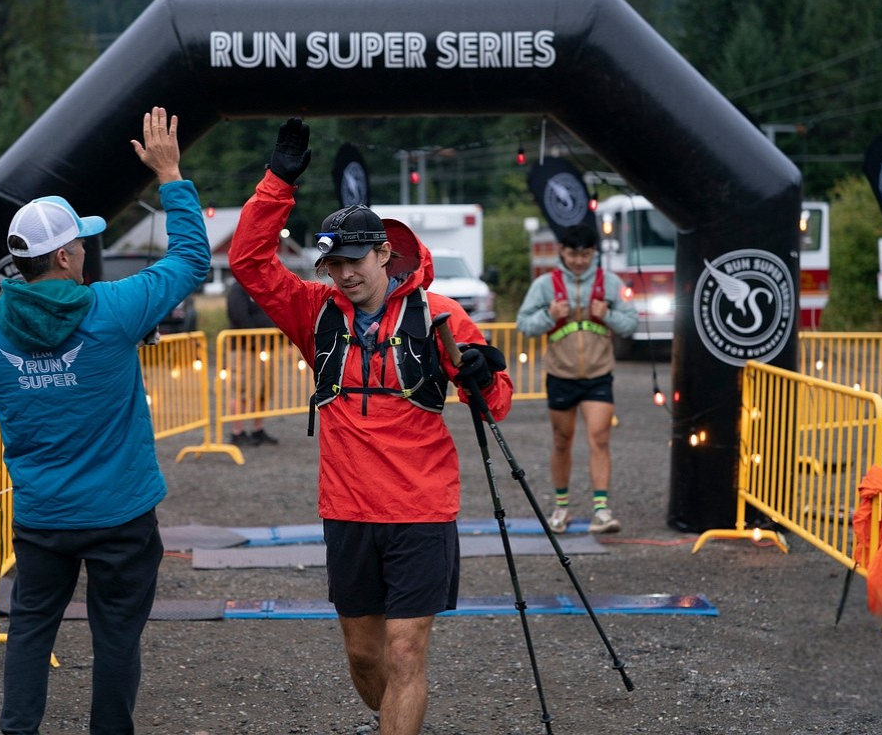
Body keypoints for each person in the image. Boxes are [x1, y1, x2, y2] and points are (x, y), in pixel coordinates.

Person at [228, 118, 513, 735]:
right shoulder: (314, 313)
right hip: (349, 510)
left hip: (421, 510)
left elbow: (496, 405)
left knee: (406, 652)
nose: (344, 274)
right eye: (333, 264)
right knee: (364, 656)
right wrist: (278, 182)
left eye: (354, 260)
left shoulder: (438, 315)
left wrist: (483, 376)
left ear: (384, 252)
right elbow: (248, 262)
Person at [0, 107, 210, 735]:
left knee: (30, 631)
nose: (85, 250)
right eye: (80, 242)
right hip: (120, 515)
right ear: (65, 255)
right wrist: (170, 174)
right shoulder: (112, 308)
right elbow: (190, 259)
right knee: (116, 639)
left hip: (43, 516)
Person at [515, 222, 637, 535]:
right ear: (562, 252)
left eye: (585, 254)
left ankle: (602, 510)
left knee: (600, 438)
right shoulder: (545, 285)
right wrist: (549, 315)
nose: (579, 260)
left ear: (594, 252)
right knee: (562, 440)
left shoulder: (610, 283)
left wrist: (607, 315)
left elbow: (630, 324)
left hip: (598, 374)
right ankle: (561, 507)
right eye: (573, 254)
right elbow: (524, 324)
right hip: (561, 375)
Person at [225, 279, 278, 446]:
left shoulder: (262, 288)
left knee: (263, 391)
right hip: (244, 349)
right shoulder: (238, 289)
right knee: (242, 391)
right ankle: (237, 432)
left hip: (264, 350)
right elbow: (239, 317)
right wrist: (257, 340)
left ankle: (258, 430)